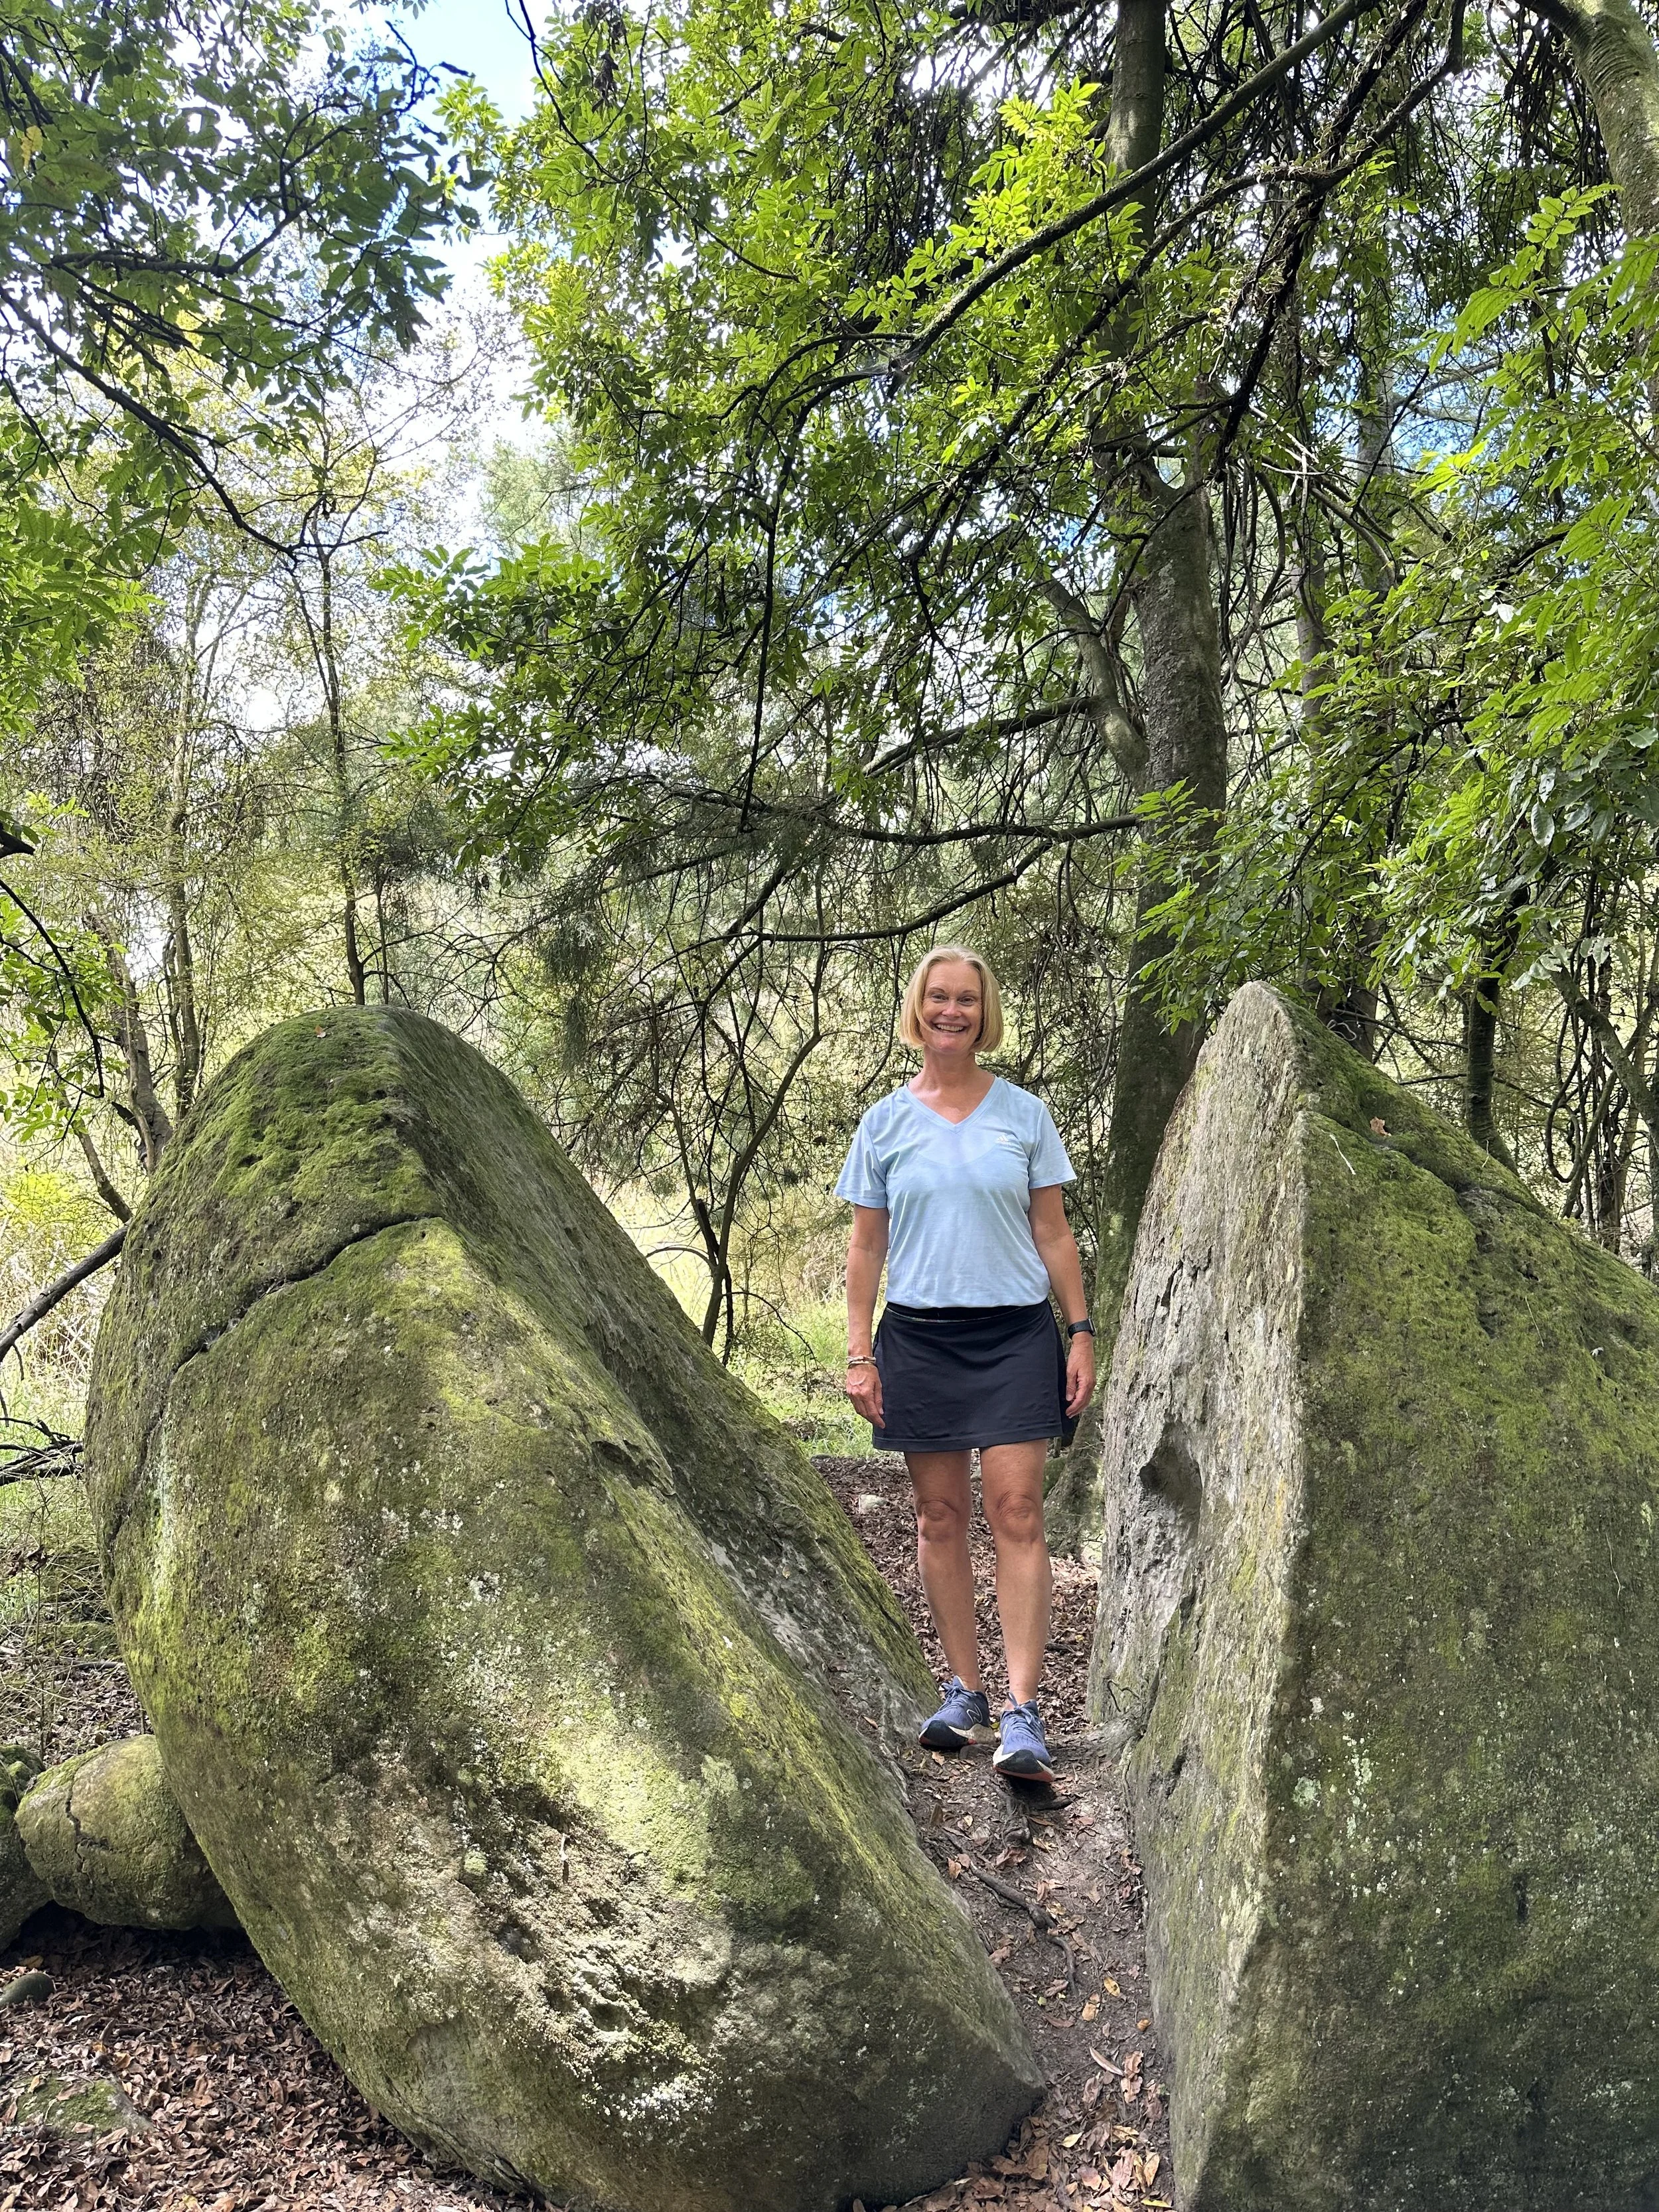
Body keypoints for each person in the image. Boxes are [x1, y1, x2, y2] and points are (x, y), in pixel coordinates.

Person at [836, 944, 1096, 1784]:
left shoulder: (1023, 1114)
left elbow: (1052, 1232)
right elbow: (865, 1246)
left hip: (1016, 1335)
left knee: (1018, 1511)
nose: (953, 1012)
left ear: (985, 1016)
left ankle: (1023, 1712)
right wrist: (858, 1353)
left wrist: (1081, 1331)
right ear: (919, 1009)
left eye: (968, 1001)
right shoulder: (883, 1123)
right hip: (918, 1339)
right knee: (938, 1518)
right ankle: (965, 1691)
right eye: (939, 998)